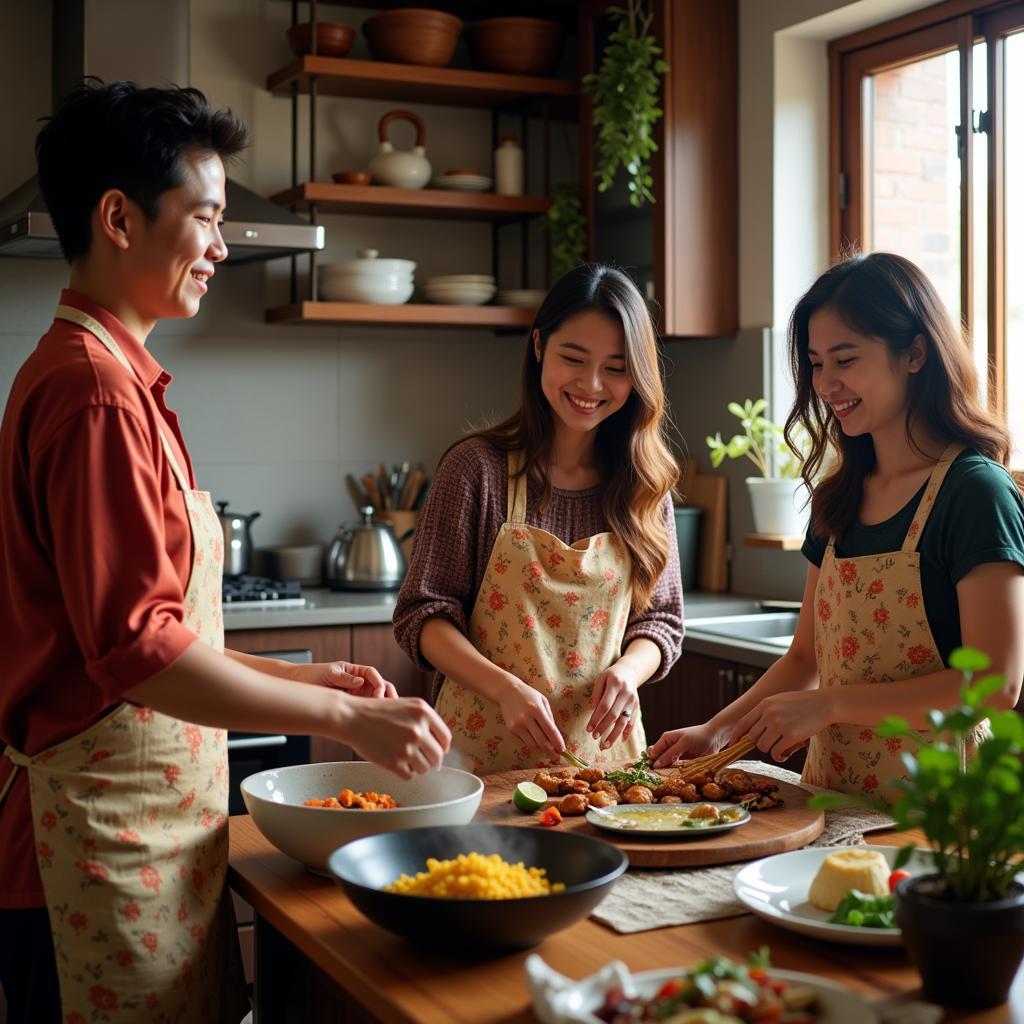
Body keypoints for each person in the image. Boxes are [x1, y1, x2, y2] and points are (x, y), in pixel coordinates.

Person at [0, 81, 450, 1024]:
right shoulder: (94, 395)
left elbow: (154, 631)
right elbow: (135, 654)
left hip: (135, 840)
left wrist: (312, 672)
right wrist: (347, 719)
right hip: (90, 852)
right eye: (204, 218)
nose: (220, 246)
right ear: (119, 218)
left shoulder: (115, 377)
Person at [650, 252, 1024, 803]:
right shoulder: (840, 495)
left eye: (845, 360)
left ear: (915, 353)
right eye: (816, 363)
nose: (826, 384)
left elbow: (996, 685)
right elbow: (805, 658)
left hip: (939, 813)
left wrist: (832, 704)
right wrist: (716, 731)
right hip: (831, 796)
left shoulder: (975, 493)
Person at [394, 264, 684, 774]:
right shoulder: (475, 469)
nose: (591, 384)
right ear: (537, 348)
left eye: (616, 367)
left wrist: (628, 673)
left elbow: (661, 621)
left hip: (606, 772)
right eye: (573, 358)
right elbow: (423, 615)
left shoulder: (645, 481)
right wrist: (505, 689)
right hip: (478, 763)